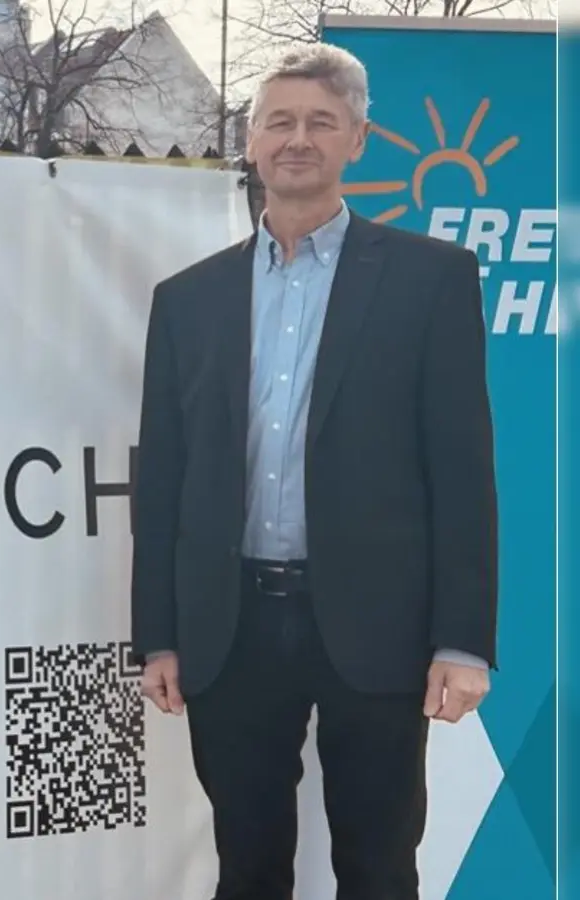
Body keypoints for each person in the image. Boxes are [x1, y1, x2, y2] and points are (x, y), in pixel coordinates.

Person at [130, 44, 497, 900]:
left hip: (379, 627)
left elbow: (463, 469)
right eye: (280, 122)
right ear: (251, 142)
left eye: (321, 123)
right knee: (248, 867)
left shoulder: (431, 280)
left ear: (357, 141)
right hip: (232, 626)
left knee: (377, 866)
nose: (298, 139)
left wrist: (462, 641)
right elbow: (164, 479)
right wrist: (159, 632)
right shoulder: (188, 301)